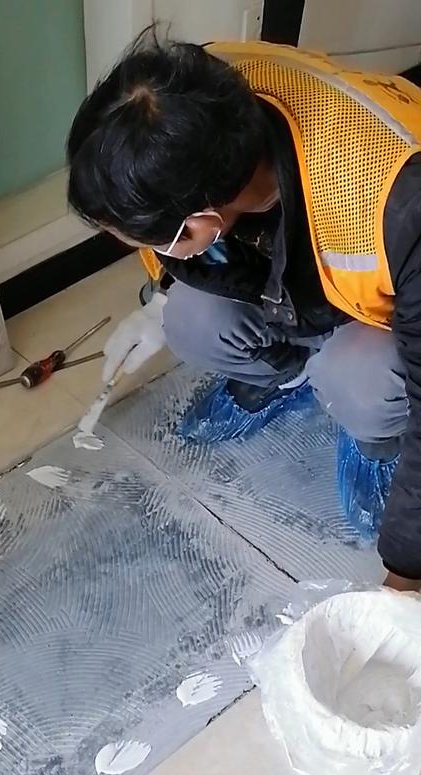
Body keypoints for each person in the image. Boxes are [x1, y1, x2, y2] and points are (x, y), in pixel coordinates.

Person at [66, 29, 421, 591]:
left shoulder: (397, 202)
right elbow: (187, 260)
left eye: (145, 239)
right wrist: (159, 299)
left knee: (356, 380)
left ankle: (378, 440)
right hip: (309, 281)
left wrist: (407, 567)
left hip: (391, 299)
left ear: (201, 225)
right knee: (190, 320)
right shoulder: (184, 104)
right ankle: (288, 376)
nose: (136, 249)